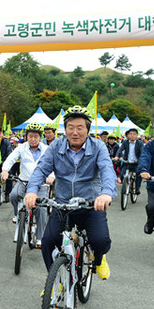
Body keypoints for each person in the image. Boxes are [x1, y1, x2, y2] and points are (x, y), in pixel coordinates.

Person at [25, 105, 116, 280]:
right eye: (71, 127)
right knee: (47, 242)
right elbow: (41, 170)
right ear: (65, 129)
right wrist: (31, 191)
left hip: (90, 205)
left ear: (87, 130)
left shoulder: (98, 147)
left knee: (100, 242)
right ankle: (56, 281)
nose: (75, 132)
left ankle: (98, 259)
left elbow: (107, 170)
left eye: (80, 127)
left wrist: (106, 193)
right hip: (62, 204)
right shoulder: (55, 146)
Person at [1, 122, 53, 247]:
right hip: (23, 180)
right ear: (26, 137)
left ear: (41, 137)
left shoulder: (47, 149)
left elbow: (54, 164)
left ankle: (40, 237)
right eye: (30, 136)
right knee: (13, 195)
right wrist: (5, 170)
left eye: (36, 136)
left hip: (41, 183)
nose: (33, 139)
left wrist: (51, 176)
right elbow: (11, 158)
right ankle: (16, 214)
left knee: (40, 209)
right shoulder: (21, 147)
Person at [114, 128, 144, 193]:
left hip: (136, 163)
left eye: (134, 134)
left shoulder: (140, 143)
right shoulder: (125, 142)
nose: (132, 135)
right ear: (128, 135)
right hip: (127, 162)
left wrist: (141, 160)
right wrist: (117, 156)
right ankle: (126, 185)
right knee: (122, 174)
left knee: (139, 175)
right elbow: (120, 149)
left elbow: (142, 152)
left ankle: (137, 188)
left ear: (137, 135)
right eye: (131, 134)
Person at [0, 126, 13, 203]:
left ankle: (7, 193)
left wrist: (5, 163)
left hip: (4, 163)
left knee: (10, 176)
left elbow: (9, 154)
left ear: (3, 134)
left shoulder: (7, 142)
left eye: (0, 133)